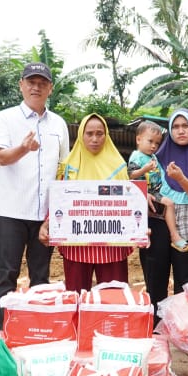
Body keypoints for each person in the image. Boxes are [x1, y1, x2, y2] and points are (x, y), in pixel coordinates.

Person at [0, 63, 69, 329]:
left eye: (42, 83)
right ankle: (5, 334)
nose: (36, 87)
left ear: (50, 88)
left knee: (41, 278)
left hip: (45, 216)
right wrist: (23, 148)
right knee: (7, 276)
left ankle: (37, 334)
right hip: (11, 211)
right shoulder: (5, 118)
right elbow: (1, 157)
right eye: (31, 82)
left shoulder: (58, 123)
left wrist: (54, 214)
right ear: (21, 85)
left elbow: (64, 169)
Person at [39, 114, 131, 292]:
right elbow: (60, 200)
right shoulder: (68, 166)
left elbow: (129, 202)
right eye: (89, 134)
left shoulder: (119, 166)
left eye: (99, 133)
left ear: (106, 135)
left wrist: (139, 227)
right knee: (76, 297)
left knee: (113, 298)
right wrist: (48, 223)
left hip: (112, 246)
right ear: (81, 135)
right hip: (76, 244)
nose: (95, 139)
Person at [141, 109, 188, 317]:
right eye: (175, 127)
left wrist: (182, 179)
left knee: (186, 285)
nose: (180, 131)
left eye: (185, 126)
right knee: (155, 283)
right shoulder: (154, 158)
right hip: (156, 228)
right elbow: (138, 185)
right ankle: (157, 331)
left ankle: (182, 330)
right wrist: (144, 193)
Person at [128, 121, 188, 252]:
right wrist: (144, 169)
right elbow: (131, 175)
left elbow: (160, 174)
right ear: (138, 139)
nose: (153, 146)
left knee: (168, 204)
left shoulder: (153, 157)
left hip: (155, 191)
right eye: (150, 141)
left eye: (157, 143)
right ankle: (149, 233)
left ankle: (170, 235)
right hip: (141, 192)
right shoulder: (136, 157)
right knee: (158, 205)